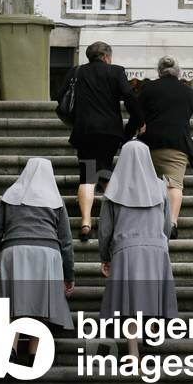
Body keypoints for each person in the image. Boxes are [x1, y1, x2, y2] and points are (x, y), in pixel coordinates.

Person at [0, 157, 74, 363]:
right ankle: (34, 353)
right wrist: (69, 275)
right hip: (47, 254)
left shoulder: (10, 196)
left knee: (11, 301)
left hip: (14, 251)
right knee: (41, 302)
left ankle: (10, 348)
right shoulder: (55, 200)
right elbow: (66, 241)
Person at [98, 139, 178, 359]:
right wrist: (163, 246)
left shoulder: (113, 189)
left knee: (130, 304)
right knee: (151, 293)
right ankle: (152, 327)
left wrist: (105, 256)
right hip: (156, 248)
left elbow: (105, 228)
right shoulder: (160, 186)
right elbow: (166, 221)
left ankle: (133, 353)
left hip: (126, 250)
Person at [57, 40, 142, 242]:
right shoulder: (115, 71)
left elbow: (60, 99)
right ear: (105, 56)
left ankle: (86, 222)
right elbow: (130, 99)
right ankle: (121, 216)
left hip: (85, 131)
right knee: (103, 167)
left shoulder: (76, 72)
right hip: (109, 132)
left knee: (88, 173)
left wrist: (75, 120)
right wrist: (133, 126)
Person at [137, 55, 193, 238]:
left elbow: (138, 111)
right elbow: (187, 114)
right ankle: (172, 222)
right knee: (174, 184)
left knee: (151, 183)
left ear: (159, 71)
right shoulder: (189, 92)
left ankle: (152, 220)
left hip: (150, 143)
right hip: (177, 143)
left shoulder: (148, 88)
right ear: (178, 71)